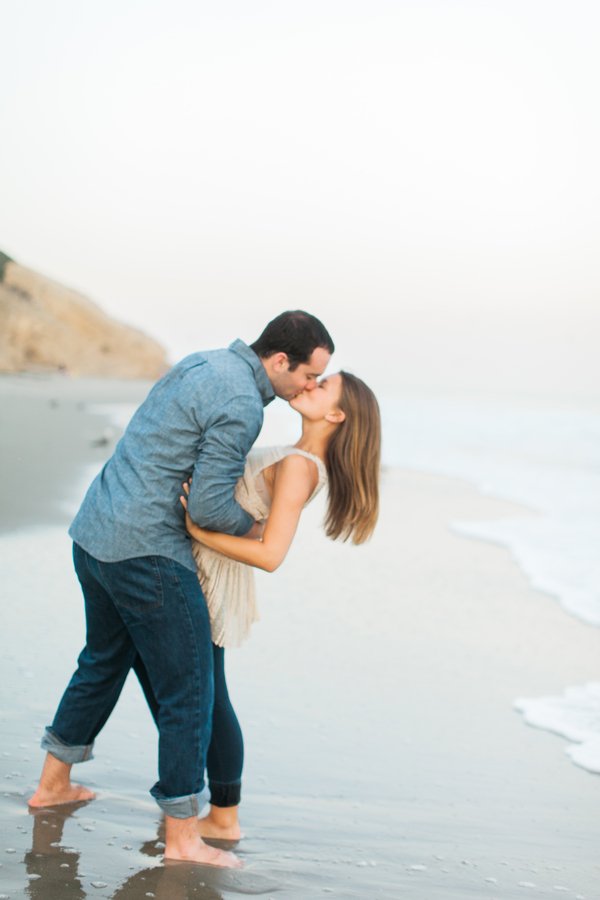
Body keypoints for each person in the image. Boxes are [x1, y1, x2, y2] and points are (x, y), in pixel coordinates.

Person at [28, 311, 334, 868]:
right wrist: (256, 528)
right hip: (148, 555)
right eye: (309, 374)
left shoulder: (203, 362)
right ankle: (183, 839)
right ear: (281, 361)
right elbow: (212, 507)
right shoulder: (242, 404)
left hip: (94, 534)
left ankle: (53, 786)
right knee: (190, 695)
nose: (308, 385)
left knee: (100, 663)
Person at [178, 370, 381, 841]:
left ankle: (225, 816)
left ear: (336, 414)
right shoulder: (299, 459)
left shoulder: (301, 467)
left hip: (213, 573)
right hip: (208, 565)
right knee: (201, 691)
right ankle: (208, 802)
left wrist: (198, 530)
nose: (309, 385)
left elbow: (271, 555)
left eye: (322, 385)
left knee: (210, 695)